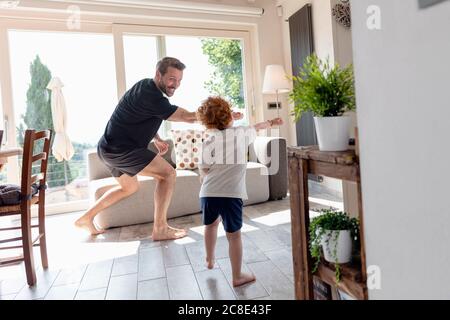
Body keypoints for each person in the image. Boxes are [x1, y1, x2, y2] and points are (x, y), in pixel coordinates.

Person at [75, 57, 243, 240]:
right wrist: (222, 116)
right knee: (168, 174)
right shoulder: (152, 97)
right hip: (121, 149)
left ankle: (86, 218)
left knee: (129, 187)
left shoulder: (144, 86)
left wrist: (156, 137)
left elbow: (136, 116)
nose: (175, 84)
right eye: (172, 79)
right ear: (158, 75)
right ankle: (160, 228)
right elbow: (186, 116)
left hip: (107, 148)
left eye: (179, 80)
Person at [197, 96, 283, 287]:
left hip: (208, 192)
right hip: (231, 194)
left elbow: (204, 169)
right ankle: (237, 276)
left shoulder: (208, 141)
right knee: (233, 235)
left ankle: (209, 259)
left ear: (207, 123)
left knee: (210, 226)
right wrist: (272, 122)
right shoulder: (241, 133)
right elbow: (258, 126)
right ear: (229, 116)